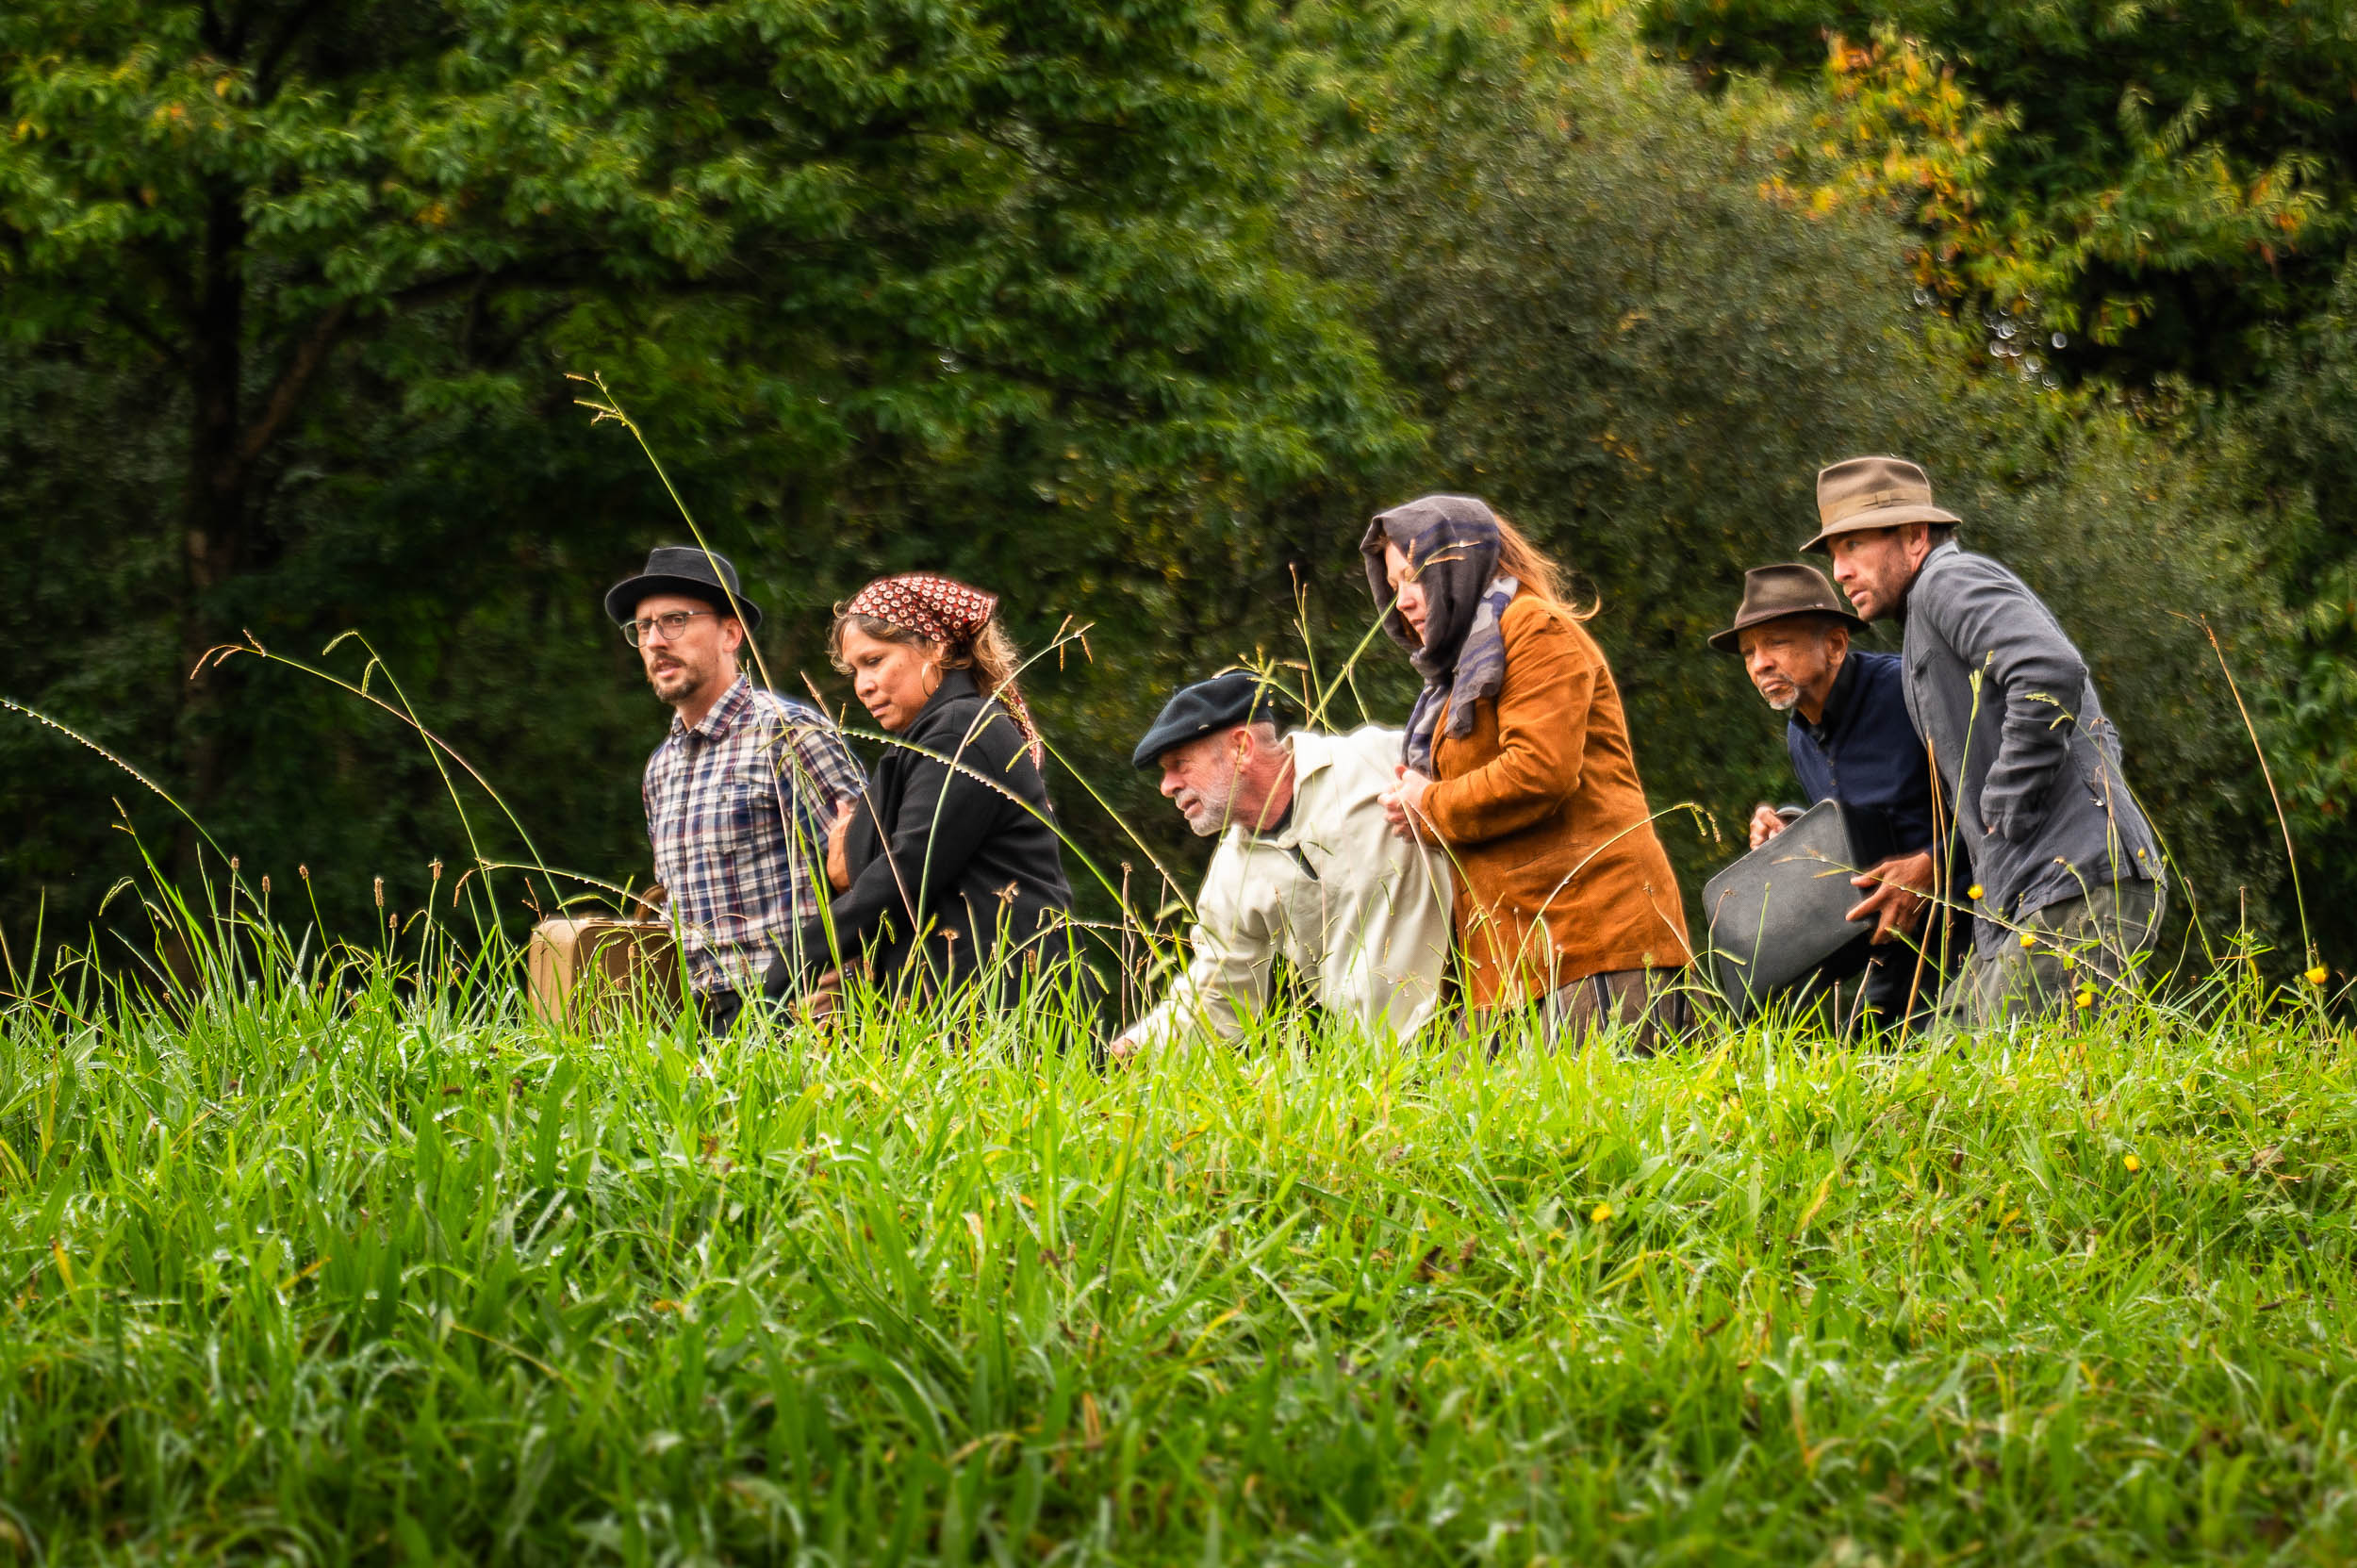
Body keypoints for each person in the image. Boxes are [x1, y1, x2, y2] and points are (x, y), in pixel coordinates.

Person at [1806, 455, 2166, 1025]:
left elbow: (2051, 671)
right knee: (1945, 1081)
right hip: (2027, 897)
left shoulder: (1948, 582)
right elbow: (2099, 730)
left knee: (2017, 1095)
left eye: (1853, 546)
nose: (1840, 571)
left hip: (2069, 886)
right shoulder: (1926, 620)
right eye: (1834, 554)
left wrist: (2006, 801)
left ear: (1915, 536)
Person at [1362, 494, 1692, 1048]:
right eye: (1393, 587)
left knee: (1611, 1130)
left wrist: (1431, 803)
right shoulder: (1460, 670)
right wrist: (1426, 814)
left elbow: (1540, 772)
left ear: (1458, 562)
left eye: (1414, 577)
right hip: (1513, 964)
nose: (1404, 603)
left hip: (1597, 944)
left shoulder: (1535, 630)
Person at [762, 573, 1094, 1022]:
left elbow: (904, 875)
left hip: (1007, 1011)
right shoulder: (925, 741)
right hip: (955, 1007)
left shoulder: (962, 732)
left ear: (936, 646)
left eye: (874, 661)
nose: (862, 686)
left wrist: (779, 981)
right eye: (855, 670)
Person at [1113, 670, 1454, 1057]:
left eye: (1180, 764)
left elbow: (1488, 789)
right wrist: (1137, 1049)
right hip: (1388, 1070)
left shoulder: (1374, 761)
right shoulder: (1230, 877)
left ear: (1241, 748)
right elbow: (1219, 994)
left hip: (1487, 1026)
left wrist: (1434, 801)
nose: (1167, 786)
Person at [606, 545, 865, 1030]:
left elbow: (871, 868)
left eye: (676, 620)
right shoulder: (660, 768)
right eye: (643, 627)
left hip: (793, 1006)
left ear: (730, 633)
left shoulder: (789, 734)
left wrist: (847, 979)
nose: (656, 641)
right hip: (693, 1019)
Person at [1710, 562, 1958, 1029]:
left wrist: (1932, 865)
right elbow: (1860, 830)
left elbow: (1996, 799)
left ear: (1836, 644)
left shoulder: (1909, 691)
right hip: (1890, 953)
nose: (1760, 663)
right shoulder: (1799, 734)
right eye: (1748, 652)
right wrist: (1791, 829)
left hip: (1977, 933)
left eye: (1777, 642)